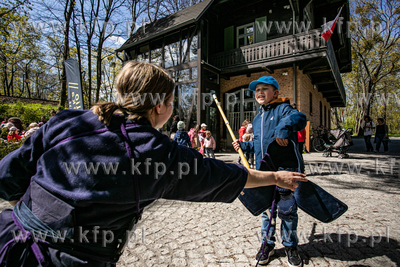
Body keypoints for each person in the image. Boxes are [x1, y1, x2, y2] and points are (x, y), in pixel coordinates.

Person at [0, 62, 307, 266]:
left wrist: (29, 208)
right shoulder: (159, 153)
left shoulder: (68, 120)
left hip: (7, 237)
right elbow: (224, 176)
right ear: (159, 106)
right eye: (172, 103)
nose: (173, 111)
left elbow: (9, 176)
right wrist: (275, 177)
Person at [233, 76, 307, 267]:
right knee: (267, 212)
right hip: (264, 173)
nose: (259, 92)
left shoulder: (283, 109)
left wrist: (283, 128)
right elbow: (258, 144)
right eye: (257, 90)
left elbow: (299, 118)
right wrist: (243, 145)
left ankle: (291, 246)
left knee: (287, 211)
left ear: (275, 93)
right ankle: (267, 245)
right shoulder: (257, 119)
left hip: (285, 172)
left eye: (264, 89)